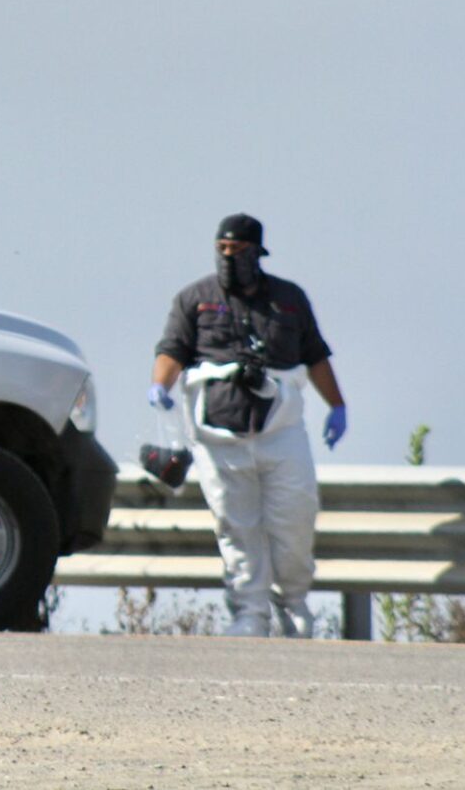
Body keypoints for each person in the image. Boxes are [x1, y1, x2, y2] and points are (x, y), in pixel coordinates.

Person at [149, 213, 347, 639]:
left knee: (294, 518)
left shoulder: (290, 300)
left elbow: (315, 355)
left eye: (237, 251)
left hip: (281, 429)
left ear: (257, 252)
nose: (228, 258)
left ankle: (293, 602)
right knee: (235, 526)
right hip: (218, 436)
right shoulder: (195, 298)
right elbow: (172, 350)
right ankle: (249, 612)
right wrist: (160, 385)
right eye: (222, 249)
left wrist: (337, 405)